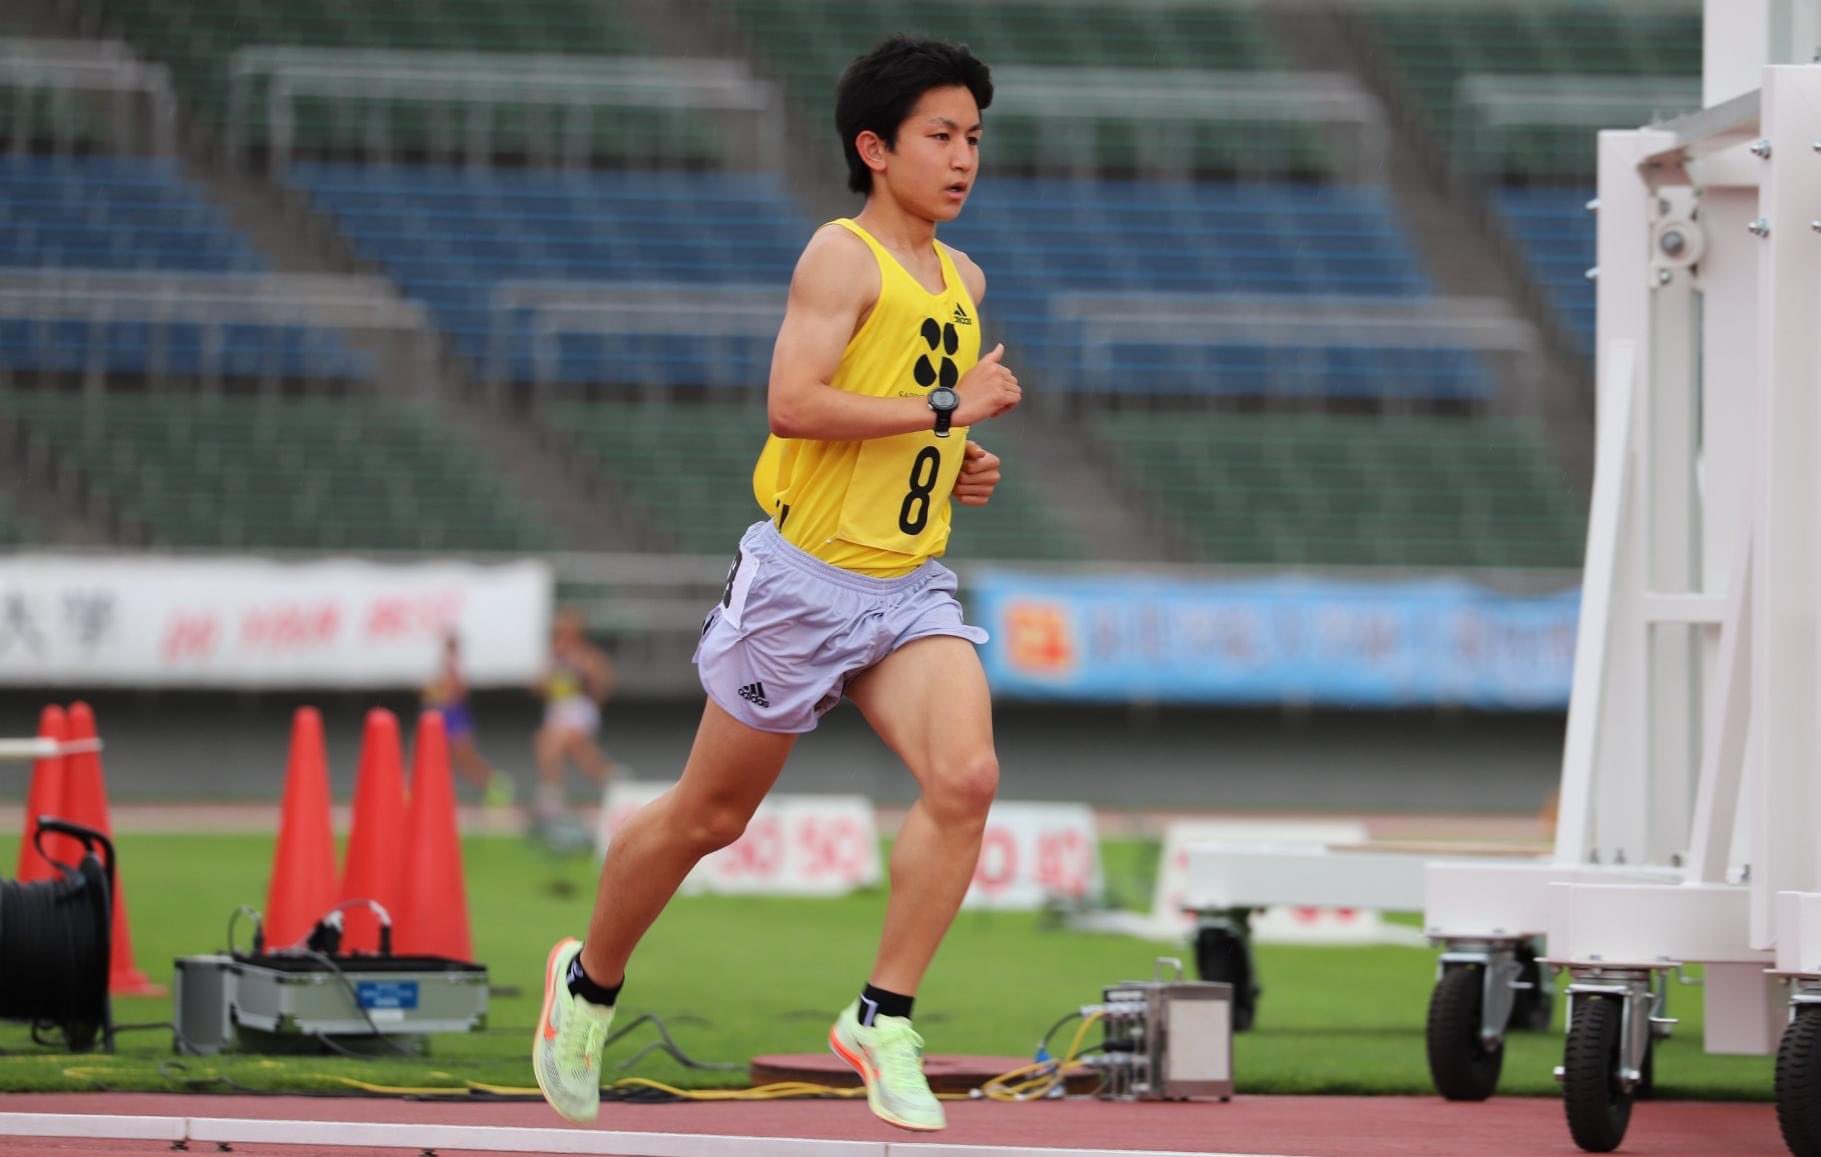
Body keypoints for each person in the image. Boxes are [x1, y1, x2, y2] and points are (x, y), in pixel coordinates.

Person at [534, 36, 1017, 1133]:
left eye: (974, 138)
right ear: (874, 148)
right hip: (802, 585)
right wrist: (949, 415)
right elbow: (795, 405)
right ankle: (589, 981)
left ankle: (881, 1015)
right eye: (939, 136)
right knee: (710, 815)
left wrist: (958, 461)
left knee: (969, 776)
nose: (962, 158)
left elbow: (905, 420)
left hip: (905, 588)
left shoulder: (965, 281)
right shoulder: (839, 258)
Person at [533, 607, 618, 822]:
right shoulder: (551, 657)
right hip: (557, 710)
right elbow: (538, 688)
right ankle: (610, 778)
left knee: (556, 741)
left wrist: (586, 672)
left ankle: (551, 796)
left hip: (580, 709)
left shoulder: (588, 655)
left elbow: (605, 686)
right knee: (567, 747)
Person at [422, 632, 514, 809]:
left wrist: (436, 696)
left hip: (455, 717)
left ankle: (497, 785)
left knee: (465, 759)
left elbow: (454, 693)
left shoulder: (453, 667)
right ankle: (433, 794)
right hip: (448, 716)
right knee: (445, 759)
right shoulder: (446, 666)